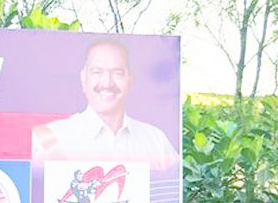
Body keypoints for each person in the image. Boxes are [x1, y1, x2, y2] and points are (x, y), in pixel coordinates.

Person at [31, 38, 177, 169]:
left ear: (130, 81)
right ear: (83, 79)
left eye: (117, 73)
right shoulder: (51, 138)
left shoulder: (156, 141)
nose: (107, 83)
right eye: (97, 72)